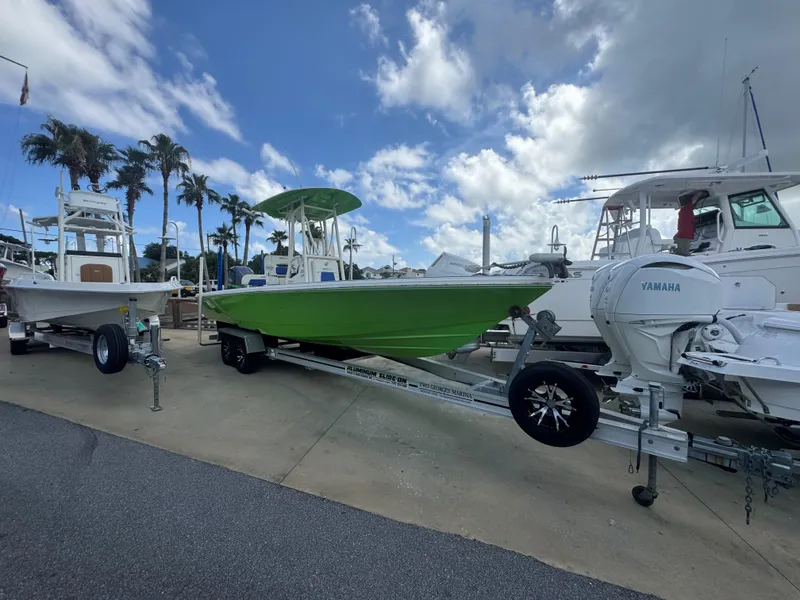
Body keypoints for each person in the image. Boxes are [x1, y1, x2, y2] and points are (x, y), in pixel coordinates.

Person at [673, 190, 706, 256]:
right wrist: (700, 194)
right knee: (684, 254)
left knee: (682, 253)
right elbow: (693, 200)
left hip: (682, 235)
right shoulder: (686, 209)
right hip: (684, 236)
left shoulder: (682, 211)